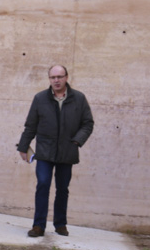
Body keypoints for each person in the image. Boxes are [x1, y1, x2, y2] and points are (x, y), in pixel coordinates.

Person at [16, 65, 95, 237]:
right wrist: (23, 146)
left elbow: (88, 123)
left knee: (62, 188)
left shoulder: (79, 99)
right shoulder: (40, 98)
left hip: (68, 151)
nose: (56, 80)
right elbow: (31, 125)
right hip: (45, 151)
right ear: (49, 79)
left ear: (66, 77)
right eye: (53, 77)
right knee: (43, 184)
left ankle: (60, 224)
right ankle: (38, 226)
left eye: (59, 77)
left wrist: (77, 141)